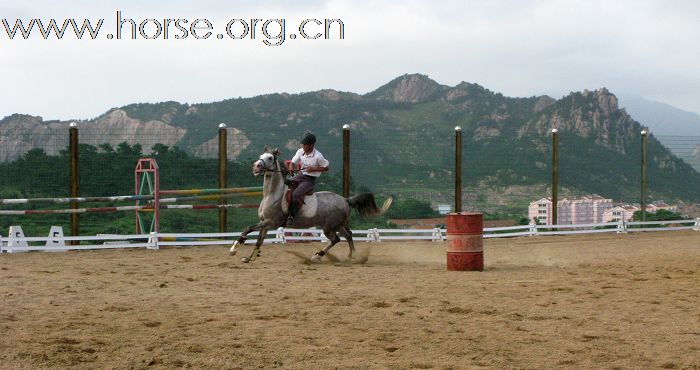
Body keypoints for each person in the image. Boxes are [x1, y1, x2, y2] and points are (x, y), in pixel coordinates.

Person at [286, 132, 329, 226]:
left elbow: (326, 167)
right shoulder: (300, 151)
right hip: (301, 175)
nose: (303, 146)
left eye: (305, 145)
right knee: (286, 185)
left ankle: (292, 216)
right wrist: (291, 168)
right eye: (303, 144)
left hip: (310, 180)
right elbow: (292, 162)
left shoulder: (318, 156)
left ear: (311, 145)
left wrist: (313, 168)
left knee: (296, 194)